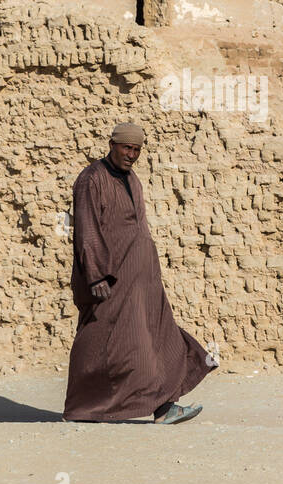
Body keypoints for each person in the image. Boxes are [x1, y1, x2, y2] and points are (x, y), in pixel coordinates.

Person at [62, 122, 215, 423]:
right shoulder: (92, 179)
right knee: (108, 342)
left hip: (143, 278)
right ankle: (85, 408)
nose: (131, 154)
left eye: (136, 150)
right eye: (126, 148)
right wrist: (94, 276)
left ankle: (164, 406)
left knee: (161, 337)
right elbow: (87, 229)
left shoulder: (133, 180)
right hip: (112, 277)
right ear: (112, 145)